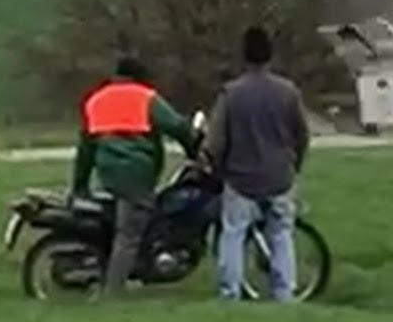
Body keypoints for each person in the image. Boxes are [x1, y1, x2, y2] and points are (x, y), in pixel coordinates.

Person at [71, 57, 200, 297]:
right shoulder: (145, 97)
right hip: (136, 172)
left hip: (107, 171)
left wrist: (79, 184)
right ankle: (115, 290)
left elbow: (86, 147)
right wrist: (193, 149)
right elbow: (177, 126)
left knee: (132, 221)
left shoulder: (97, 100)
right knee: (129, 232)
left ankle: (134, 266)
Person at [206, 25, 310, 302]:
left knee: (233, 235)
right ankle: (284, 293)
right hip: (279, 176)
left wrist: (216, 167)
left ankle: (230, 293)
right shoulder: (288, 92)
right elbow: (302, 134)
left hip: (240, 179)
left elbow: (215, 141)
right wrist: (294, 165)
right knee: (281, 235)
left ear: (244, 57)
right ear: (271, 57)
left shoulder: (231, 94)